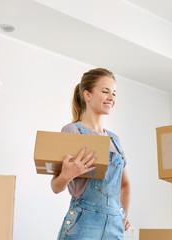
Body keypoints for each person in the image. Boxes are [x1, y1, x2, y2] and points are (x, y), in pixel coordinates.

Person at [51, 68, 131, 240]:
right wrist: (67, 175)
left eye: (114, 93)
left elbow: (125, 185)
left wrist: (123, 213)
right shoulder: (72, 131)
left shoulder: (114, 140)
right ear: (87, 95)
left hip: (114, 226)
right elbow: (55, 187)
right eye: (105, 91)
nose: (111, 98)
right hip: (83, 223)